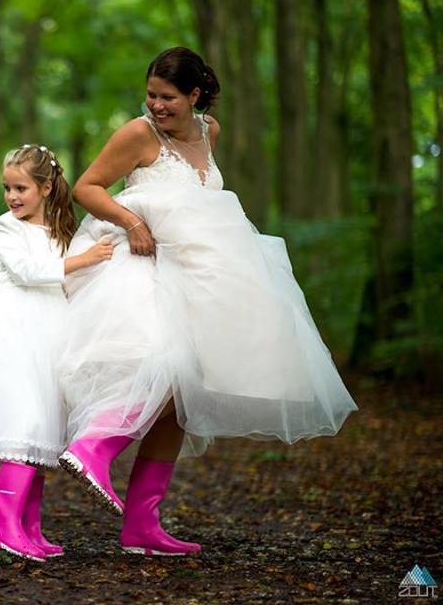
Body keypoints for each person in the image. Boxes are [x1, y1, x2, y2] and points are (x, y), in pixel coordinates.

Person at [58, 47, 358, 556]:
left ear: (195, 95)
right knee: (167, 371)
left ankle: (141, 527)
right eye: (151, 94)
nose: (156, 105)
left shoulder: (210, 131)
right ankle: (95, 447)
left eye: (168, 97)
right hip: (147, 267)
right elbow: (85, 187)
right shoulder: (137, 134)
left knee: (185, 396)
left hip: (203, 279)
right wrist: (133, 223)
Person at [0, 145, 113, 562]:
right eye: (7, 188)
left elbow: (69, 281)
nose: (12, 196)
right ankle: (1, 523)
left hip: (50, 331)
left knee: (43, 431)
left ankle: (30, 527)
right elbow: (27, 272)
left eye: (20, 187)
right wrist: (83, 260)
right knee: (24, 426)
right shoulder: (5, 227)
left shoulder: (61, 229)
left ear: (45, 187)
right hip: (11, 328)